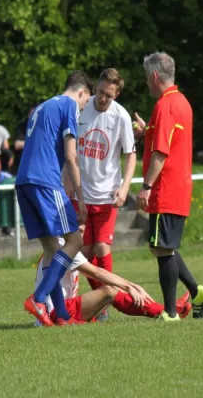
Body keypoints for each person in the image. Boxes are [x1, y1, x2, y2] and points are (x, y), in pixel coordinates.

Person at [133, 52, 203, 322]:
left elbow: (161, 153)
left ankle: (170, 312)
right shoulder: (182, 102)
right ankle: (196, 291)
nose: (146, 83)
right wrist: (147, 132)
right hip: (178, 187)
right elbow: (169, 140)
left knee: (163, 249)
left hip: (165, 188)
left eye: (146, 78)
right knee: (162, 246)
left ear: (155, 76)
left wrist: (146, 186)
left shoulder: (165, 105)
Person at [16, 70, 93, 327]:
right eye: (85, 102)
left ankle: (60, 315)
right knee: (75, 240)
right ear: (81, 92)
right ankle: (39, 299)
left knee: (51, 250)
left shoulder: (42, 107)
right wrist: (81, 199)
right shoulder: (69, 105)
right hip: (45, 181)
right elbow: (71, 156)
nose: (82, 108)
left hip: (24, 182)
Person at [66, 68, 136, 308]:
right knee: (82, 251)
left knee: (102, 247)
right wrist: (69, 188)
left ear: (116, 95)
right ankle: (96, 300)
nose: (103, 98)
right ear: (95, 87)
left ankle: (105, 301)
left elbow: (131, 155)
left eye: (109, 95)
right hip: (81, 194)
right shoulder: (81, 110)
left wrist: (125, 187)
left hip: (107, 196)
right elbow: (71, 153)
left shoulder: (121, 117)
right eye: (101, 92)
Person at [34, 237, 192, 325]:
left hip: (60, 312)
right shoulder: (66, 247)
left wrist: (127, 286)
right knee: (109, 291)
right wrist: (131, 286)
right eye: (79, 227)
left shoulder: (61, 246)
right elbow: (96, 272)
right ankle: (166, 311)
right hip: (55, 315)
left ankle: (166, 310)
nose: (82, 231)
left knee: (113, 292)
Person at [11, 106, 34, 173]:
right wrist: (35, 143)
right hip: (22, 162)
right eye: (32, 114)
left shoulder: (44, 126)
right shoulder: (22, 126)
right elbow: (17, 145)